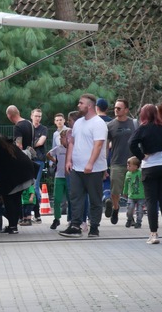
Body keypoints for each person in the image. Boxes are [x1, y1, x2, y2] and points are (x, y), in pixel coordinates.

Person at [60, 93, 108, 238]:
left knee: (94, 198)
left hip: (93, 169)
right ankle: (75, 225)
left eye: (81, 103)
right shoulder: (79, 123)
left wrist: (90, 163)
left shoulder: (98, 123)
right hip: (77, 168)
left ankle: (94, 227)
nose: (78, 105)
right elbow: (72, 143)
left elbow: (98, 145)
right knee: (75, 197)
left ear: (89, 106)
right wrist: (68, 161)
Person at [0, 131, 36, 234]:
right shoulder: (7, 145)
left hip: (13, 176)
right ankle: (13, 226)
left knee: (9, 200)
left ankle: (12, 226)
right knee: (16, 199)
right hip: (27, 173)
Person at [128, 103, 162, 245]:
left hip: (150, 167)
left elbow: (131, 143)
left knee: (151, 201)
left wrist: (141, 156)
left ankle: (153, 234)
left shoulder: (142, 129)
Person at [105, 98, 138, 225]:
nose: (116, 110)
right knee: (115, 191)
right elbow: (106, 146)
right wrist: (104, 164)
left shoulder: (134, 124)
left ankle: (131, 216)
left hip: (133, 163)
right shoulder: (110, 126)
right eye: (115, 108)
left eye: (119, 108)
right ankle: (115, 208)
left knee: (132, 191)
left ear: (126, 110)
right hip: (117, 162)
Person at [47, 121, 68, 230]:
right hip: (59, 176)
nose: (60, 140)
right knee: (57, 199)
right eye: (60, 138)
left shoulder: (71, 148)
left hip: (69, 177)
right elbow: (48, 154)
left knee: (71, 199)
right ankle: (56, 218)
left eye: (62, 138)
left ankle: (71, 219)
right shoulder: (58, 148)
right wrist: (55, 161)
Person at [29, 108, 48, 223]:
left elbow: (41, 142)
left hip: (38, 160)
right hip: (27, 160)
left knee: (35, 186)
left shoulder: (44, 129)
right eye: (36, 116)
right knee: (26, 186)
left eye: (39, 116)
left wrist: (30, 144)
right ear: (31, 116)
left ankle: (37, 212)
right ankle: (26, 212)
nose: (37, 118)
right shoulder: (27, 128)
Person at [123, 156, 145, 229]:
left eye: (129, 166)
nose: (128, 167)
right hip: (131, 196)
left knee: (140, 210)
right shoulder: (128, 174)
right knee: (130, 209)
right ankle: (129, 219)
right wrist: (125, 191)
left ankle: (138, 222)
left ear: (136, 167)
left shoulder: (140, 173)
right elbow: (126, 184)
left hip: (141, 196)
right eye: (127, 165)